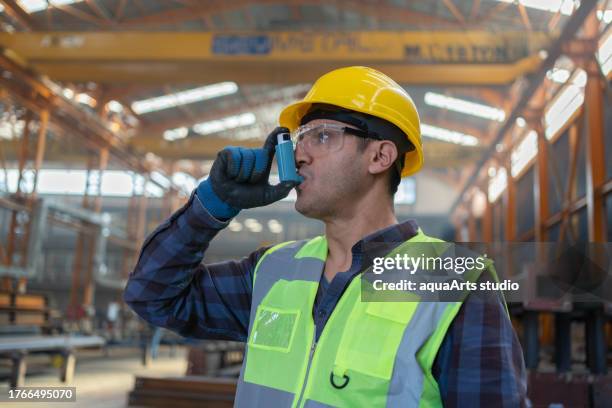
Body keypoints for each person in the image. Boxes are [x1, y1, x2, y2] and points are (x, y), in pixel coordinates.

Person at [124, 66, 527, 407]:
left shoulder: (447, 281)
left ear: (379, 157)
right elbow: (152, 295)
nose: (299, 155)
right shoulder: (273, 270)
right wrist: (209, 206)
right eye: (301, 139)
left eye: (322, 136)